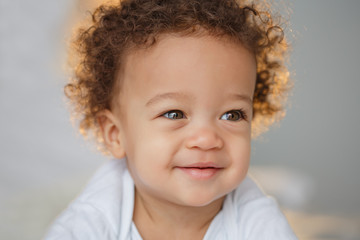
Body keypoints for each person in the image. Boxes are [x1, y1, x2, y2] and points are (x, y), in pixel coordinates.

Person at [45, 0, 297, 239]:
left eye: (232, 115)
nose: (207, 139)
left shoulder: (258, 221)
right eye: (174, 114)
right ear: (115, 134)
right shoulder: (90, 222)